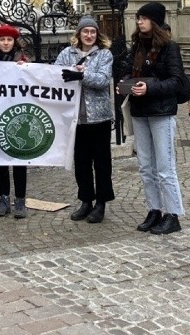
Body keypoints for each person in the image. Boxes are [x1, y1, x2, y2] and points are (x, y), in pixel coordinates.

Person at [119, 2, 186, 235]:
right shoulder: (137, 45)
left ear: (155, 21)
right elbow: (127, 69)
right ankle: (154, 209)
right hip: (139, 111)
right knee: (146, 166)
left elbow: (176, 81)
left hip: (161, 112)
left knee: (165, 167)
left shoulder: (169, 47)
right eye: (138, 18)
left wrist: (149, 87)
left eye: (144, 18)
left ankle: (173, 214)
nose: (139, 21)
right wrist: (125, 81)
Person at [55, 16, 115, 224]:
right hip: (76, 119)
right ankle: (86, 200)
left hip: (99, 118)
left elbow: (103, 80)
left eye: (93, 32)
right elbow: (55, 74)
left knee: (101, 162)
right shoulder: (67, 53)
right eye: (85, 32)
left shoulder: (104, 55)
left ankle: (101, 203)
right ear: (78, 34)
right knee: (81, 162)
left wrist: (83, 75)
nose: (89, 35)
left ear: (97, 35)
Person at [0, 24, 30, 219]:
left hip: (18, 115)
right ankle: (3, 197)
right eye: (2, 40)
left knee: (20, 158)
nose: (5, 43)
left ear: (14, 42)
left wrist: (26, 70)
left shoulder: (23, 61)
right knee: (0, 159)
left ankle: (20, 199)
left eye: (9, 40)